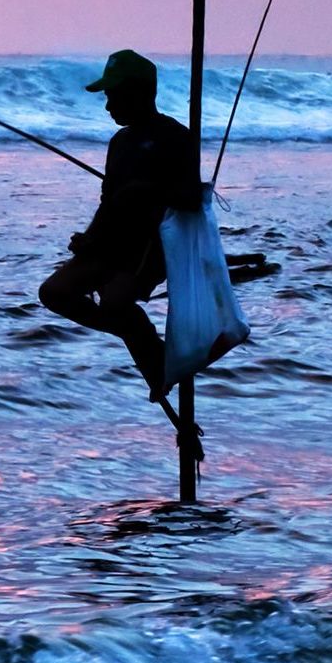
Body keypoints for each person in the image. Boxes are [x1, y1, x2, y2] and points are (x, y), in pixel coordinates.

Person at [38, 47, 202, 426]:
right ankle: (148, 345)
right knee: (54, 293)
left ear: (140, 93)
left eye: (113, 95)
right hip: (111, 244)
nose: (108, 105)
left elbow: (192, 199)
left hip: (152, 246)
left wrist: (148, 190)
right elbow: (107, 203)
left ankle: (149, 350)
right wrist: (89, 238)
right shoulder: (120, 143)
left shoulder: (175, 137)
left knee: (114, 304)